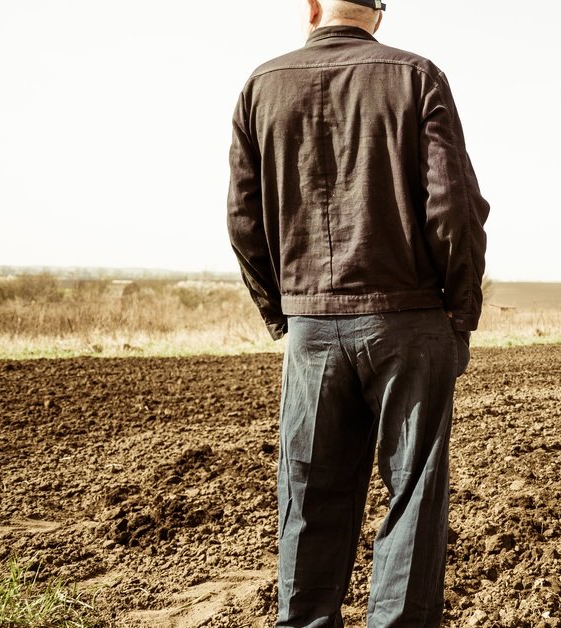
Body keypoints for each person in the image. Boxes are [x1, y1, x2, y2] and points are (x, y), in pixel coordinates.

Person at [226, 0, 489, 624]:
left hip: (311, 327)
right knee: (413, 497)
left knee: (310, 497)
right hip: (411, 320)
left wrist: (283, 312)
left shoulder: (260, 86)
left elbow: (242, 221)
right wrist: (460, 314)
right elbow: (453, 209)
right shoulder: (416, 76)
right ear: (380, 13)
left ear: (312, 7)